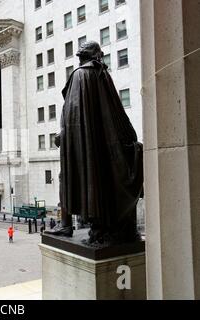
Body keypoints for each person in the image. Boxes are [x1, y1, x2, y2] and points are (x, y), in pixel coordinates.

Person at [50, 41, 143, 245]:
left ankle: (71, 226)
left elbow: (71, 116)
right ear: (96, 56)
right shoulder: (102, 75)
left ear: (82, 57)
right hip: (104, 148)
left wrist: (64, 137)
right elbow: (117, 114)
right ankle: (94, 227)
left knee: (66, 178)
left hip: (85, 149)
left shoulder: (80, 76)